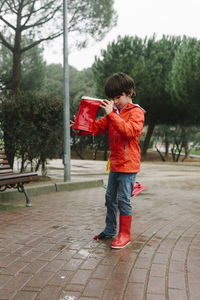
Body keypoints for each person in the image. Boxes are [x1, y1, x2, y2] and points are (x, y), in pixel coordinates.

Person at [70, 72, 145, 249]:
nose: (115, 101)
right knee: (110, 198)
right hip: (115, 164)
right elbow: (96, 127)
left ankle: (125, 235)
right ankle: (110, 230)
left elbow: (128, 131)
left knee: (123, 200)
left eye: (118, 97)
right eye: (112, 98)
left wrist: (112, 114)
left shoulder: (137, 112)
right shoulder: (115, 112)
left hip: (129, 165)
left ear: (130, 92)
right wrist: (79, 129)